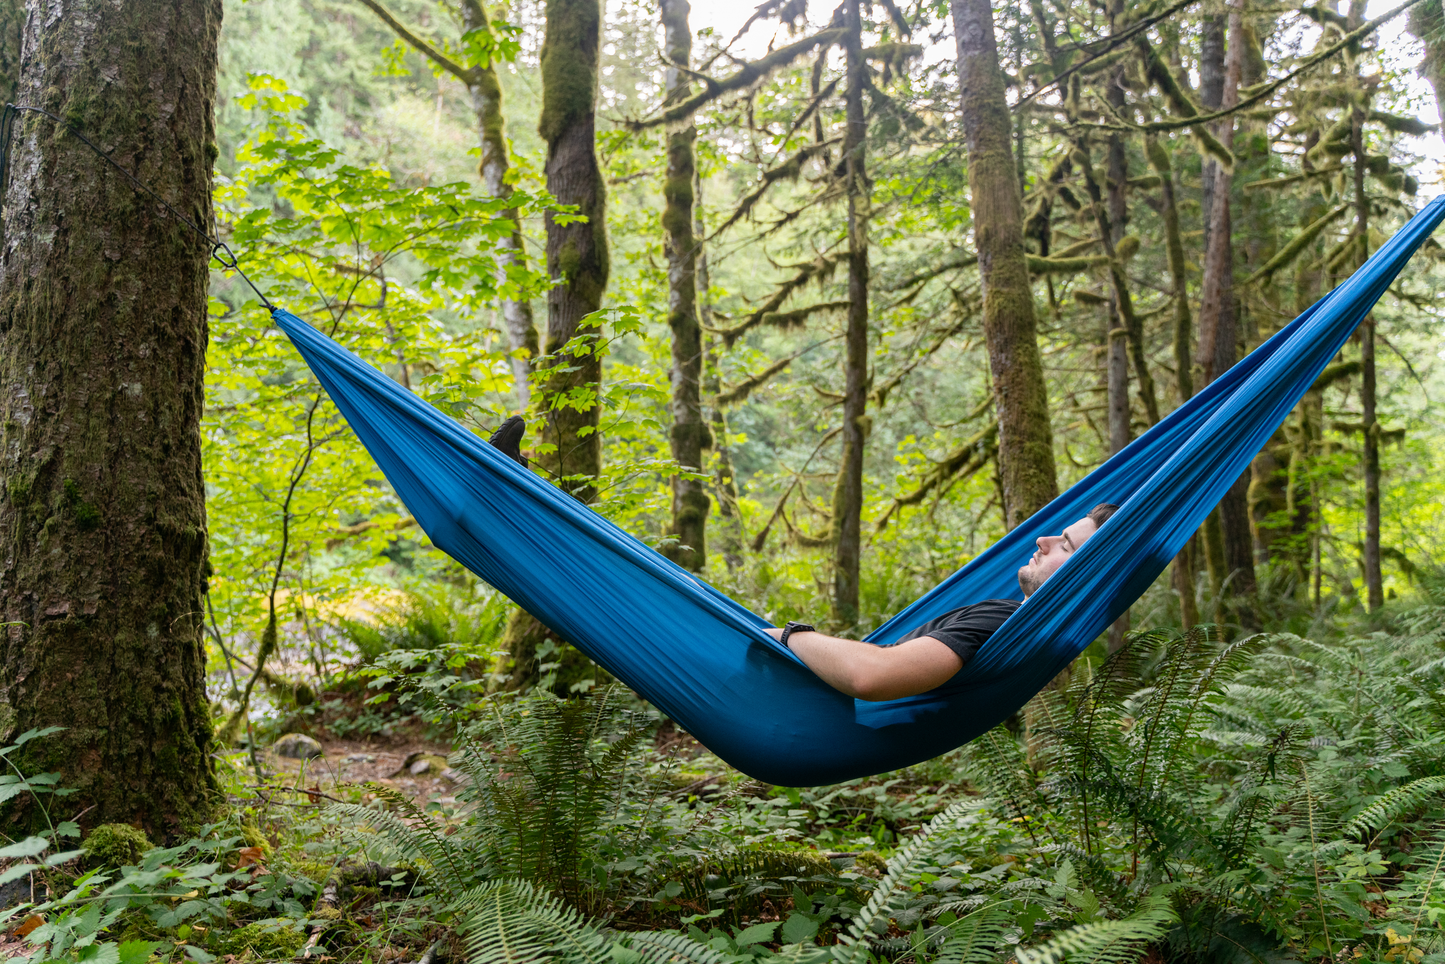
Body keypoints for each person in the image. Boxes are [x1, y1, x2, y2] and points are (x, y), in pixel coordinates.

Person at [764, 503, 1119, 701]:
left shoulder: (1006, 622)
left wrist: (787, 634)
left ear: (1084, 576)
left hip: (810, 702)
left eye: (1066, 545)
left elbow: (871, 676)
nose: (1043, 539)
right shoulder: (1038, 634)